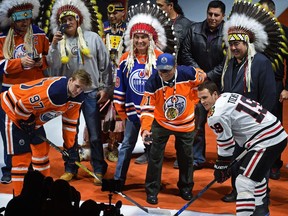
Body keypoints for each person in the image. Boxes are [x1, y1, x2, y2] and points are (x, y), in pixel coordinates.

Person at [219, 0, 287, 205]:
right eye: (231, 44)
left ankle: (259, 197)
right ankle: (236, 191)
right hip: (236, 124)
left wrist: (258, 127)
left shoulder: (261, 62)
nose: (233, 47)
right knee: (236, 158)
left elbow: (268, 96)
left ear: (247, 43)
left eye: (237, 43)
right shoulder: (230, 63)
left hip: (256, 127)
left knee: (256, 164)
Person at [47, 0, 113, 185]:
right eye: (64, 19)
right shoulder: (58, 42)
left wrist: (106, 88)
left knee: (94, 134)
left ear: (78, 19)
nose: (68, 22)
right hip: (70, 96)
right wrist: (53, 46)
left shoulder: (92, 38)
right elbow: (51, 69)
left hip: (91, 92)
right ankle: (70, 168)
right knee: (69, 134)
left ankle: (98, 169)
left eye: (71, 18)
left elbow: (105, 65)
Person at [197, 80, 287, 216]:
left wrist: (221, 165)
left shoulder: (216, 114)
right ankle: (261, 211)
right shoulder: (227, 96)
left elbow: (226, 143)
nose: (202, 102)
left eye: (205, 97)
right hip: (274, 133)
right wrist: (223, 165)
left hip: (266, 140)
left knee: (243, 182)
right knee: (256, 176)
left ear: (215, 94)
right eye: (200, 99)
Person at [113, 1, 176, 189]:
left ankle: (152, 184)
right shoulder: (125, 59)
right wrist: (121, 112)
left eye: (144, 37)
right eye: (137, 37)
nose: (140, 41)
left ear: (151, 39)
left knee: (155, 151)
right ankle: (118, 180)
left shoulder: (160, 58)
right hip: (133, 114)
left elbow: (167, 86)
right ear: (131, 38)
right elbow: (120, 87)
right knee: (126, 146)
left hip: (154, 114)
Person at [0, 69, 92, 196]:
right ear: (70, 80)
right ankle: (19, 198)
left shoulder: (77, 98)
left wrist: (70, 148)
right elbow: (21, 105)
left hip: (30, 115)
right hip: (12, 110)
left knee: (42, 150)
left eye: (81, 89)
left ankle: (44, 192)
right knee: (21, 159)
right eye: (76, 86)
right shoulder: (54, 92)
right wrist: (28, 121)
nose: (78, 91)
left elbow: (70, 124)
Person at [140, 53, 206, 204]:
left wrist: (195, 98)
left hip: (186, 123)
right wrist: (145, 129)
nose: (163, 74)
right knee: (155, 157)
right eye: (161, 71)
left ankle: (186, 188)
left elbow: (203, 76)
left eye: (167, 71)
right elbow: (147, 107)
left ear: (175, 67)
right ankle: (152, 190)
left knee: (186, 157)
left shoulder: (188, 73)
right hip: (161, 123)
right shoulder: (153, 81)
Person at [135, 0, 194, 165]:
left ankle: (186, 156)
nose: (157, 8)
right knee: (156, 116)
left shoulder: (186, 25)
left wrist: (183, 73)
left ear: (171, 5)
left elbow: (189, 51)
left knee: (183, 119)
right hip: (158, 76)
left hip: (180, 76)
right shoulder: (154, 23)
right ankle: (150, 151)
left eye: (160, 5)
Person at [0, 0, 50, 184]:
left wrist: (40, 63)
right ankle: (9, 168)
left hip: (34, 92)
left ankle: (35, 170)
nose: (25, 22)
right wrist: (18, 63)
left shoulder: (39, 34)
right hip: (10, 94)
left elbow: (49, 58)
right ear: (12, 18)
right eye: (21, 19)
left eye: (28, 17)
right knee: (10, 135)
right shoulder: (2, 36)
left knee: (36, 132)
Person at [177, 0, 226, 170]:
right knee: (196, 123)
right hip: (197, 85)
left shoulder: (228, 33)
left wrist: (209, 76)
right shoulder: (194, 30)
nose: (212, 18)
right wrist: (200, 73)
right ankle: (196, 158)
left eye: (216, 15)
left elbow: (228, 60)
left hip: (220, 86)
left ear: (223, 16)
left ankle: (224, 160)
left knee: (223, 124)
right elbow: (185, 53)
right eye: (210, 14)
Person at [258, 0, 288, 180]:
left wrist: (286, 88)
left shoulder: (284, 32)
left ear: (273, 12)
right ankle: (258, 160)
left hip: (276, 85)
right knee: (256, 123)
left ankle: (275, 163)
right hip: (256, 85)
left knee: (274, 125)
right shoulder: (254, 31)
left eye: (265, 12)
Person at [101, 0, 127, 162]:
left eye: (115, 12)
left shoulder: (129, 30)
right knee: (101, 112)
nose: (112, 16)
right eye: (110, 13)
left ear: (123, 13)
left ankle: (114, 146)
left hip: (121, 77)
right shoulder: (102, 29)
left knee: (118, 113)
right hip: (104, 76)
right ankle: (95, 146)